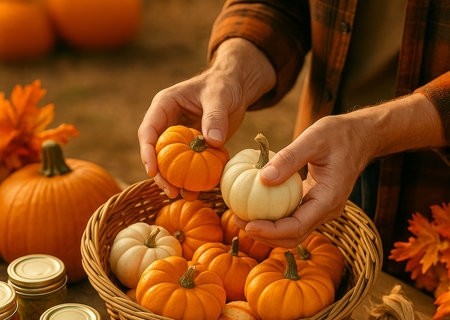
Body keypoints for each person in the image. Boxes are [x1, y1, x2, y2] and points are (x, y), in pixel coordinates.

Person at [138, 0, 449, 274]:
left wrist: (371, 132)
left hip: (434, 188)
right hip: (320, 159)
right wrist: (232, 73)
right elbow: (280, 5)